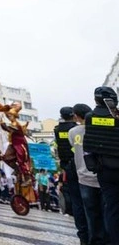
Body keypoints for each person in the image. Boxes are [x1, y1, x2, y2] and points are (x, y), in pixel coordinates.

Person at [83, 86, 119, 244]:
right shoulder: (117, 116)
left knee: (112, 208)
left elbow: (88, 146)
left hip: (104, 169)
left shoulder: (89, 117)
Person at [69, 103, 107, 245]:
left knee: (91, 213)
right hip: (103, 176)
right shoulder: (100, 128)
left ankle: (94, 240)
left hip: (84, 178)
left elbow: (73, 147)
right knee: (107, 212)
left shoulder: (73, 132)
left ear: (76, 116)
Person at [55, 106, 88, 242]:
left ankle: (83, 235)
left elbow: (59, 148)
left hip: (67, 167)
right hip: (81, 164)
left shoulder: (57, 130)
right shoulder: (77, 129)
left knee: (77, 202)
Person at [1, 103, 37, 206]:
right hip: (13, 144)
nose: (9, 117)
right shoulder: (13, 123)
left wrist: (3, 124)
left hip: (20, 144)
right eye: (8, 115)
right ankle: (17, 170)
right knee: (5, 158)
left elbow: (10, 129)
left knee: (22, 161)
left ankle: (28, 178)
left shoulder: (16, 124)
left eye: (10, 115)